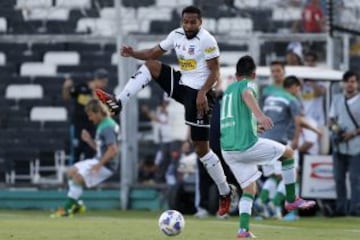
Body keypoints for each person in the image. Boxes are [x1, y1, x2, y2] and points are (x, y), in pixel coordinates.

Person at [95, 5, 234, 216]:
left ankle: (225, 192)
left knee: (202, 150)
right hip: (182, 85)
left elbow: (215, 72)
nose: (188, 25)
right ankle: (119, 101)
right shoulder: (176, 35)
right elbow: (152, 52)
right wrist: (133, 53)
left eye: (193, 22)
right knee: (151, 64)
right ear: (181, 21)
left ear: (200, 22)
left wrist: (203, 92)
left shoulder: (207, 40)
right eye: (185, 22)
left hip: (201, 95)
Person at [220, 55, 316, 238]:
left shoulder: (228, 91)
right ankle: (291, 200)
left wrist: (253, 126)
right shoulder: (248, 85)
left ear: (235, 74)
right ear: (254, 74)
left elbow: (234, 119)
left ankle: (243, 230)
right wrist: (260, 115)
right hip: (244, 146)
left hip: (228, 150)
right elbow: (247, 94)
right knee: (288, 153)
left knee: (249, 189)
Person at [51, 99, 119, 217]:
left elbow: (113, 150)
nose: (89, 118)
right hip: (98, 160)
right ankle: (75, 204)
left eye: (90, 115)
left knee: (78, 178)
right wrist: (89, 141)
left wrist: (99, 165)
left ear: (98, 112)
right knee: (70, 171)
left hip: (107, 165)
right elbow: (101, 149)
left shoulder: (107, 126)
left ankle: (67, 210)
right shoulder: (103, 124)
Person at [329, 70, 360, 216]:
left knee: (356, 179)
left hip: (357, 146)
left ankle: (356, 208)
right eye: (347, 81)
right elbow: (331, 120)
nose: (350, 84)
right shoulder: (336, 99)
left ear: (357, 83)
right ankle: (341, 208)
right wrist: (337, 131)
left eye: (353, 81)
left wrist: (352, 134)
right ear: (343, 84)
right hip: (339, 145)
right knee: (338, 178)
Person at [62, 69, 109, 163]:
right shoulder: (82, 88)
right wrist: (66, 87)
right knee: (75, 152)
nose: (105, 85)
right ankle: (72, 176)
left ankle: (86, 176)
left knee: (90, 153)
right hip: (77, 125)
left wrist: (95, 94)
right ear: (97, 80)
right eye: (103, 82)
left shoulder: (101, 93)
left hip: (91, 126)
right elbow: (66, 97)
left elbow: (103, 109)